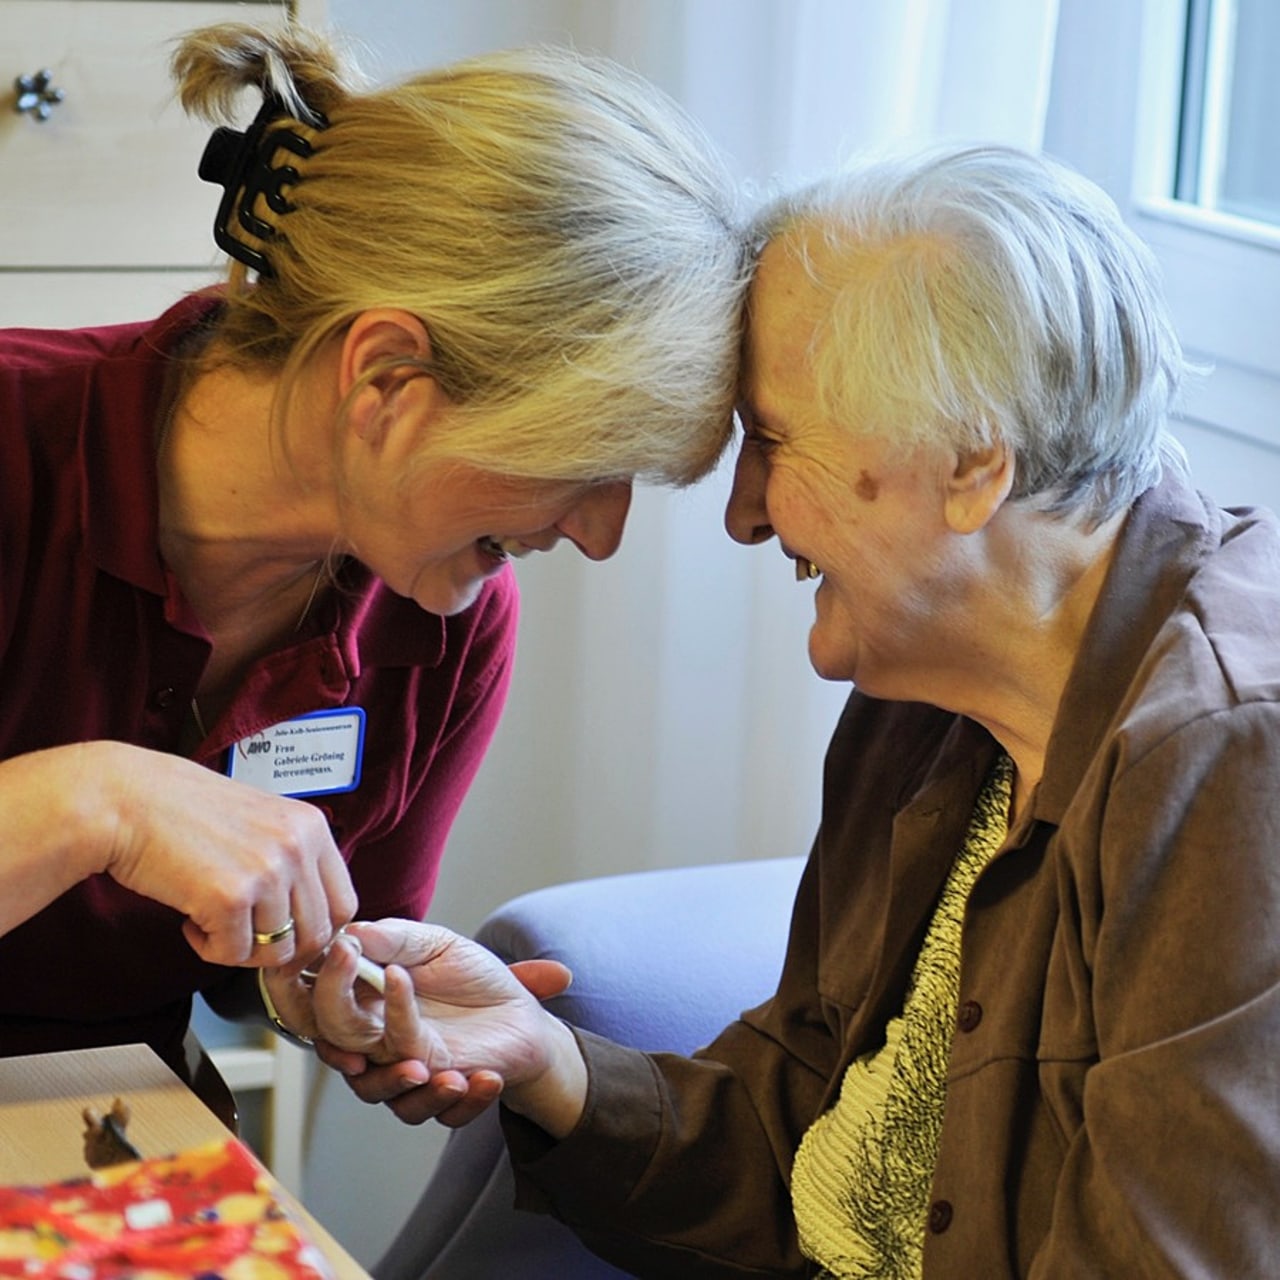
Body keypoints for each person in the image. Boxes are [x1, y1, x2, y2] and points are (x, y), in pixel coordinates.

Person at [307, 143, 1280, 1278]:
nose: (745, 514)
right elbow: (802, 1139)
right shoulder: (924, 692)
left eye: (769, 440)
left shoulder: (1222, 753)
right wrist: (542, 1057)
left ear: (972, 463)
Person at [0, 20, 747, 1086]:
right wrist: (100, 803)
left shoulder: (445, 620)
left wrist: (332, 988)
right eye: (586, 462)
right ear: (387, 378)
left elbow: (268, 960)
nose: (599, 533)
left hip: (113, 1124)